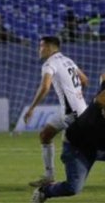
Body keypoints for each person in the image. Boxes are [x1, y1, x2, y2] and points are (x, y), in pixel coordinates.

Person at [31, 83, 105, 202]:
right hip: (78, 149)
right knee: (73, 188)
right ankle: (45, 191)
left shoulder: (103, 98)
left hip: (100, 144)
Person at [23, 36, 89, 187]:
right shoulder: (68, 60)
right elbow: (84, 80)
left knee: (80, 148)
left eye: (41, 46)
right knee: (45, 135)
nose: (39, 50)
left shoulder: (49, 63)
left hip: (71, 113)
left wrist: (32, 108)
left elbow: (45, 87)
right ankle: (49, 176)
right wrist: (76, 95)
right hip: (76, 109)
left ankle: (71, 183)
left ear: (49, 47)